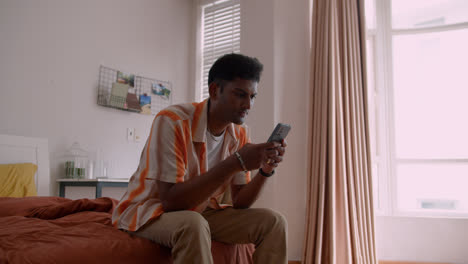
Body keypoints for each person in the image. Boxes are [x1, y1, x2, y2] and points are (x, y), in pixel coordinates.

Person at [112, 53, 288, 264]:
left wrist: (265, 169)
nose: (248, 105)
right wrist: (236, 162)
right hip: (151, 210)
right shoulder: (173, 121)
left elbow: (241, 201)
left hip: (202, 211)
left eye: (252, 97)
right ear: (215, 90)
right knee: (192, 224)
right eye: (240, 95)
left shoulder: (239, 134)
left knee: (274, 222)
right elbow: (170, 202)